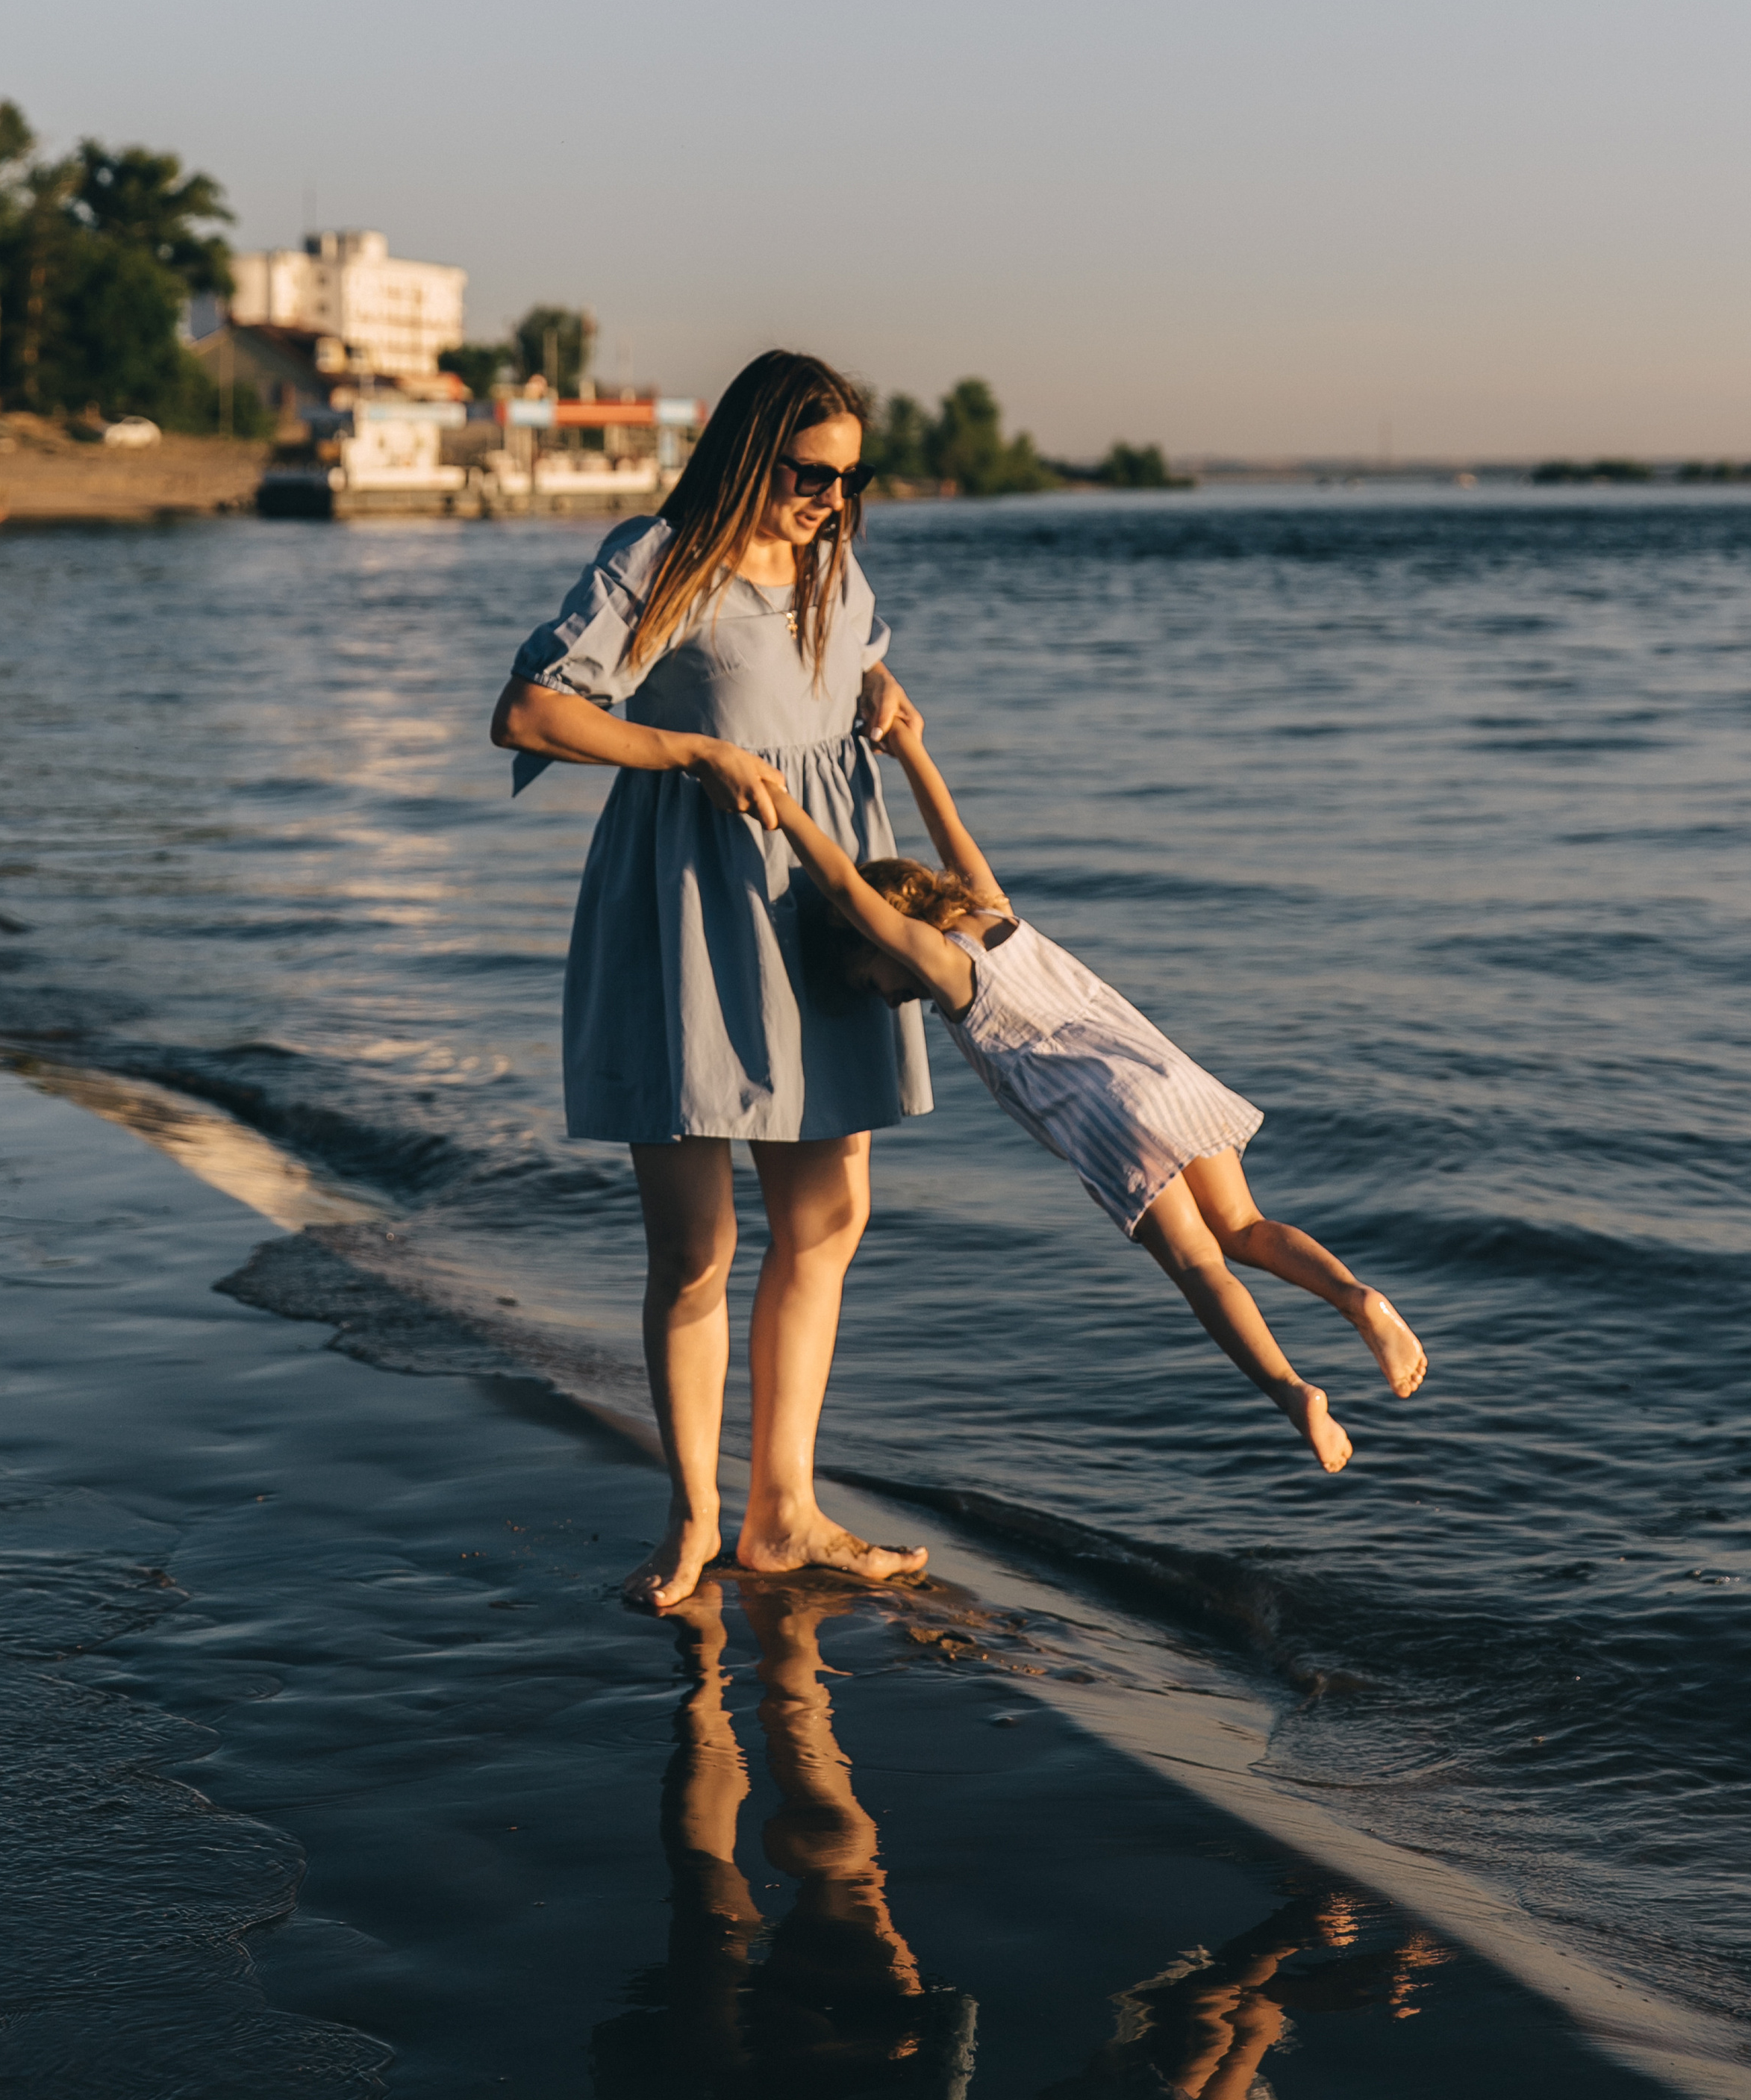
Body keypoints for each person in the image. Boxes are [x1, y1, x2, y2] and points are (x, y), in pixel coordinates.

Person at [490, 349, 931, 1610]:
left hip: (822, 917)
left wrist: (877, 686)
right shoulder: (661, 559)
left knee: (828, 1221)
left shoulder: (833, 569)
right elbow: (530, 713)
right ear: (748, 453)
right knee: (697, 1245)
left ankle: (783, 1513)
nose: (830, 501)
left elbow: (838, 672)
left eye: (849, 481)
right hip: (687, 915)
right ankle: (693, 1519)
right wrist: (686, 750)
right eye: (808, 475)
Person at [765, 702, 1428, 1474]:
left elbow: (848, 893)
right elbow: (948, 825)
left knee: (1199, 1267)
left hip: (1111, 1114)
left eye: (866, 979)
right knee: (1244, 1227)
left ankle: (1293, 1393)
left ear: (882, 934)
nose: (882, 999)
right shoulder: (994, 913)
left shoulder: (947, 970)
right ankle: (1356, 1298)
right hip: (1167, 1075)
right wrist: (910, 749)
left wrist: (783, 808)